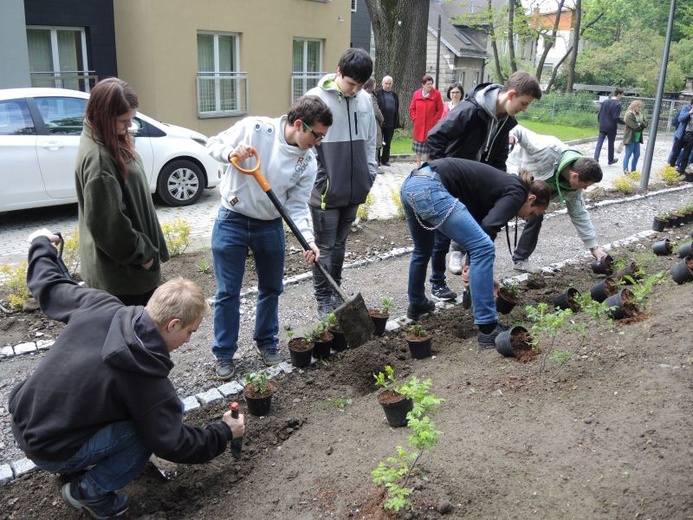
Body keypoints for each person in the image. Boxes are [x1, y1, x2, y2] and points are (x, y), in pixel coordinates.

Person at [9, 229, 245, 519]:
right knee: (147, 432)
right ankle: (90, 491)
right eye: (190, 331)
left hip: (25, 419)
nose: (189, 340)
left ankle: (78, 456)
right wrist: (223, 432)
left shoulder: (102, 304)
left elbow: (50, 284)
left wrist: (40, 243)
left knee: (150, 411)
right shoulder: (145, 375)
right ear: (172, 325)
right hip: (50, 449)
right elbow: (172, 443)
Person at [205, 95, 332, 378]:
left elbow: (297, 206)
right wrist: (231, 154)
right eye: (317, 135)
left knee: (272, 287)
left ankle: (266, 342)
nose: (319, 143)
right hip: (232, 219)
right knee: (228, 292)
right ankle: (224, 353)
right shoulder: (256, 129)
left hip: (270, 224)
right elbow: (212, 143)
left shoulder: (308, 162)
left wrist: (308, 240)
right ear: (299, 124)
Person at [400, 159, 550, 348]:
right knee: (485, 248)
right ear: (532, 199)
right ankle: (488, 328)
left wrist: (478, 273)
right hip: (430, 188)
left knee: (423, 249)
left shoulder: (501, 187)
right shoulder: (517, 191)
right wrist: (477, 273)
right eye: (532, 213)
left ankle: (417, 303)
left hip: (411, 184)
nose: (526, 218)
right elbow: (486, 235)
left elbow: (480, 232)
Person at [75, 77, 169, 306]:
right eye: (123, 120)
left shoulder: (107, 139)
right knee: (134, 338)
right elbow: (108, 223)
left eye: (131, 119)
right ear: (104, 116)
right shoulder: (100, 159)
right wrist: (142, 254)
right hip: (124, 278)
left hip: (125, 273)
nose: (128, 126)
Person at [306, 48, 378, 319]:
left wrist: (369, 174)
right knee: (323, 247)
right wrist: (321, 179)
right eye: (350, 84)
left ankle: (336, 290)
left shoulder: (364, 100)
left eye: (360, 86)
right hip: (326, 191)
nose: (354, 90)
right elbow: (305, 145)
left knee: (340, 245)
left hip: (355, 188)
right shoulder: (316, 99)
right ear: (338, 71)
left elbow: (371, 139)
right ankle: (323, 299)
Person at [507, 125, 607, 273]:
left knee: (536, 215)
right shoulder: (548, 148)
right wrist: (511, 135)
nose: (584, 189)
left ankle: (520, 260)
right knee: (495, 214)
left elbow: (579, 214)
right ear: (575, 176)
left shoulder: (573, 188)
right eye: (585, 185)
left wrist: (594, 248)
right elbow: (520, 131)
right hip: (512, 176)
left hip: (534, 196)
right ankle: (461, 249)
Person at [427, 71, 542, 168]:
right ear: (511, 95)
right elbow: (435, 136)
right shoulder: (470, 110)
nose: (524, 109)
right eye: (523, 103)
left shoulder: (505, 122)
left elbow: (499, 161)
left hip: (476, 184)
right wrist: (444, 171)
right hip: (454, 180)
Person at [409, 75, 444, 167]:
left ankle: (428, 163)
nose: (430, 86)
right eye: (428, 84)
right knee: (418, 146)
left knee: (429, 145)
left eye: (431, 84)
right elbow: (412, 108)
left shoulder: (436, 94)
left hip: (430, 125)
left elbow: (440, 109)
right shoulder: (416, 94)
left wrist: (434, 120)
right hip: (419, 125)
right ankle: (418, 164)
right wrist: (415, 119)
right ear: (423, 85)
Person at [593, 88, 624, 165]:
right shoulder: (617, 104)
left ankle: (595, 159)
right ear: (619, 94)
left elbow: (599, 114)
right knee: (611, 143)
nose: (622, 96)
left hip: (603, 125)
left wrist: (600, 122)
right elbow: (615, 117)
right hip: (611, 127)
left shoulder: (605, 102)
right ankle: (610, 159)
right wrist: (624, 122)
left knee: (599, 143)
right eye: (622, 94)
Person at [375, 75, 400, 167]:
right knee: (378, 142)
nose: (388, 85)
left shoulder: (394, 95)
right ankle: (377, 160)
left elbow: (396, 109)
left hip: (390, 122)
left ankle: (385, 160)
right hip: (380, 122)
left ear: (392, 84)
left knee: (387, 142)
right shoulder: (377, 93)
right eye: (386, 83)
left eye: (390, 84)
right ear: (382, 83)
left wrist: (396, 122)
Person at [364, 77, 384, 174]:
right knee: (375, 142)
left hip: (365, 121)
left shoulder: (363, 94)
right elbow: (376, 110)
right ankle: (374, 166)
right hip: (373, 122)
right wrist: (382, 119)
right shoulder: (370, 96)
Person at [622, 100, 647, 174]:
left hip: (637, 138)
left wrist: (640, 124)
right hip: (630, 138)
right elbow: (636, 127)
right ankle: (626, 171)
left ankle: (633, 170)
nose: (640, 109)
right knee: (628, 154)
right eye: (639, 107)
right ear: (634, 106)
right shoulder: (629, 115)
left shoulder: (640, 114)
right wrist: (641, 124)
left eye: (641, 107)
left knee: (637, 154)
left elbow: (646, 123)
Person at [668, 101, 693, 176]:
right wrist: (690, 112)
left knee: (686, 156)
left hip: (691, 136)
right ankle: (670, 170)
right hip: (681, 135)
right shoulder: (686, 108)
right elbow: (680, 119)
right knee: (675, 153)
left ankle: (681, 172)